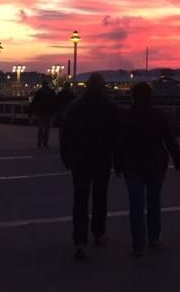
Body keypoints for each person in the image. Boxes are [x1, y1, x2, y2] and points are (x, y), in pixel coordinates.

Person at [115, 82, 180, 257]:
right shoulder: (158, 116)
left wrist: (116, 163)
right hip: (155, 163)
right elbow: (169, 139)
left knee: (136, 205)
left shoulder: (126, 117)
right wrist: (178, 159)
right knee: (154, 201)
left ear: (133, 96)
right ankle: (154, 236)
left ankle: (137, 244)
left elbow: (119, 143)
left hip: (132, 165)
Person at [60, 73, 119, 261]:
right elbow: (117, 137)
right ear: (102, 86)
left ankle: (80, 239)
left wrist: (66, 156)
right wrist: (118, 161)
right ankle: (99, 232)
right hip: (102, 158)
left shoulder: (74, 106)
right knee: (100, 196)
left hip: (80, 159)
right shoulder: (110, 107)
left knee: (80, 199)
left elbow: (65, 133)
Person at [29, 81, 57, 148]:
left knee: (42, 129)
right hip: (47, 113)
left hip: (42, 113)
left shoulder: (39, 92)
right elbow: (54, 103)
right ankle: (44, 142)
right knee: (45, 129)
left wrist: (31, 112)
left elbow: (34, 102)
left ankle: (40, 142)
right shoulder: (51, 92)